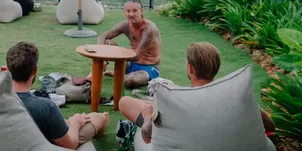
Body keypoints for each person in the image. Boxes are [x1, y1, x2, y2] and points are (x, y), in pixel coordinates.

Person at [118, 42, 276, 144]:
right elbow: (270, 126)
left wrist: (147, 116)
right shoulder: (234, 96)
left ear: (190, 69)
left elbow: (147, 135)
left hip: (178, 140)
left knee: (125, 102)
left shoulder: (177, 99)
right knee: (150, 106)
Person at [7, 42, 109, 148]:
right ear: (35, 70)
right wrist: (75, 123)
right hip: (49, 148)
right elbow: (70, 145)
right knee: (95, 118)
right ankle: (100, 120)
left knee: (71, 121)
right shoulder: (46, 107)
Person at [98, 0, 162, 89]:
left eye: (135, 11)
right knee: (107, 43)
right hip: (129, 62)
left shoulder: (150, 29)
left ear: (142, 11)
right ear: (124, 12)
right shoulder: (125, 25)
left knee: (129, 81)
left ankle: (120, 74)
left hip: (148, 68)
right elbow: (102, 37)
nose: (131, 14)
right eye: (128, 11)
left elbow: (137, 56)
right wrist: (102, 57)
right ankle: (121, 73)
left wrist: (111, 55)